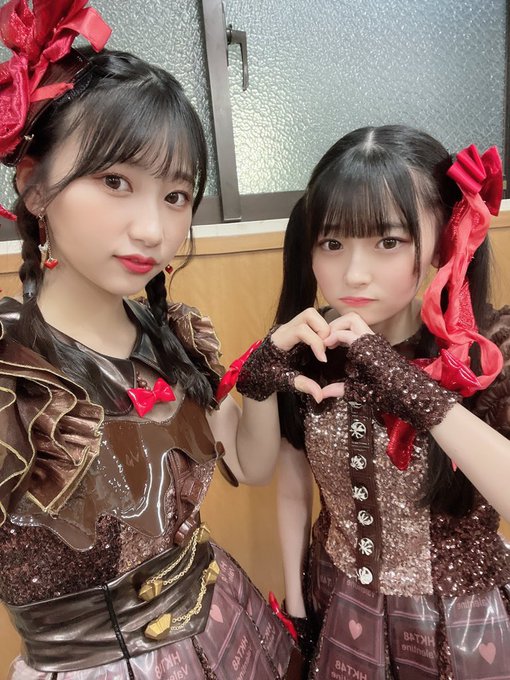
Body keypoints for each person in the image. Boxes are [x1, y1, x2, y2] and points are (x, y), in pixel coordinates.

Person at [0, 1, 302, 678]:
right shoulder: (9, 372)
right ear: (34, 188)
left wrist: (260, 378)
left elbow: (249, 466)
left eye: (175, 196)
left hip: (225, 628)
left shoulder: (173, 337)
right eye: (116, 182)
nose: (153, 230)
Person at [232, 125, 510, 678]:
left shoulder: (487, 350)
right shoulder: (311, 346)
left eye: (388, 242)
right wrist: (296, 602)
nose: (353, 274)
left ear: (443, 239)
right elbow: (283, 478)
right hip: (338, 598)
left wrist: (405, 383)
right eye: (332, 243)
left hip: (461, 617)